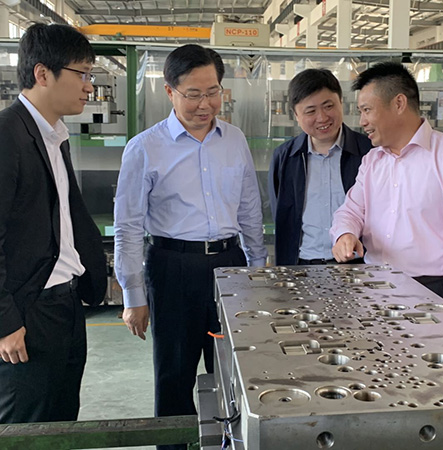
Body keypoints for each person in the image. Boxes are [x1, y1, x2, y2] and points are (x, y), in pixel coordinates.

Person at [114, 44, 267, 450]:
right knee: (174, 375)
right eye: (193, 94)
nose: (205, 104)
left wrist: (257, 269)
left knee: (234, 373)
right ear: (170, 92)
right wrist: (133, 295)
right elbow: (128, 226)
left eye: (213, 92)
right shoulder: (144, 148)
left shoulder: (234, 139)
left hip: (230, 267)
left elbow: (249, 209)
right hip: (172, 267)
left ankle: (230, 443)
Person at [0, 23, 107, 423]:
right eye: (82, 74)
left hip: (65, 305)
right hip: (28, 314)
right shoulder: (7, 135)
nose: (89, 87)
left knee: (62, 420)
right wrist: (5, 323)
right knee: (27, 427)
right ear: (43, 74)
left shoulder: (53, 135)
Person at [330, 61, 443, 314]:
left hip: (433, 290)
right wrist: (345, 234)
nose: (362, 122)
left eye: (367, 110)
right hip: (375, 286)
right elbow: (351, 211)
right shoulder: (372, 161)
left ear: (399, 103)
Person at [268, 68, 372, 265]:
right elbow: (281, 217)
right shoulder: (284, 157)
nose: (322, 118)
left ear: (341, 102)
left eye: (328, 106)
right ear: (296, 115)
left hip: (357, 265)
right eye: (310, 111)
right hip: (302, 266)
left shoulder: (369, 152)